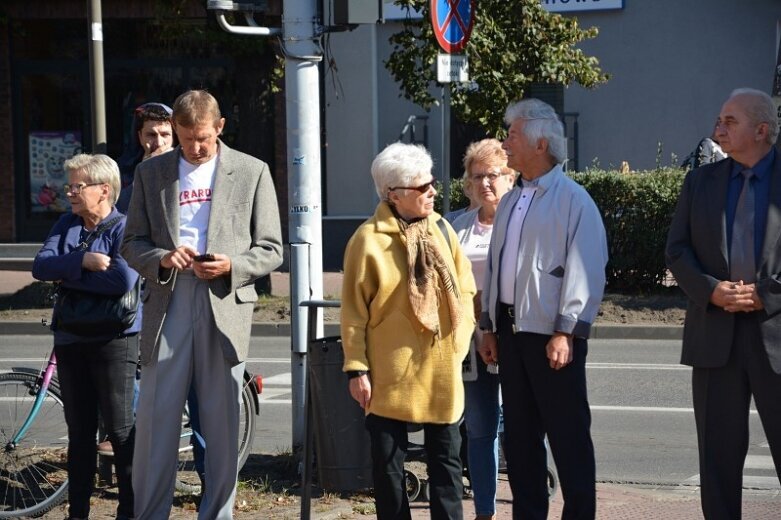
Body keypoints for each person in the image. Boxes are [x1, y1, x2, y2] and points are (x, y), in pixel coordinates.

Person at [121, 89, 283, 519]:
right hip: (169, 296)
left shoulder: (251, 171)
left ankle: (217, 513)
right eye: (188, 137)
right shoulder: (151, 173)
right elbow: (131, 241)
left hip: (224, 300)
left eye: (204, 139)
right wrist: (161, 258)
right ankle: (150, 513)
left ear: (220, 128)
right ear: (175, 129)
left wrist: (234, 264)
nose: (195, 148)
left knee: (222, 422)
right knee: (157, 420)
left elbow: (271, 248)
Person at [479, 99, 608, 519]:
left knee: (568, 438)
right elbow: (498, 268)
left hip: (553, 337)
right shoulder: (513, 199)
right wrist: (489, 327)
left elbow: (587, 268)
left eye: (512, 134)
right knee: (520, 439)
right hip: (512, 336)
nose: (505, 142)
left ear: (539, 143)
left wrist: (566, 331)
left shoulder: (574, 200)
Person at [341, 142, 477, 520]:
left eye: (432, 182)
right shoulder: (367, 241)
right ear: (393, 194)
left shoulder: (443, 230)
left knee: (447, 464)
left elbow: (465, 287)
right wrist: (356, 369)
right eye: (422, 187)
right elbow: (353, 312)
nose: (433, 190)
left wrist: (459, 339)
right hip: (388, 373)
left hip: (440, 369)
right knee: (388, 466)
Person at [665, 87, 781, 519]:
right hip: (715, 338)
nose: (718, 130)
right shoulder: (701, 181)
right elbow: (677, 250)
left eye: (730, 122)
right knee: (717, 464)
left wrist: (764, 294)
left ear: (761, 130)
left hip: (776, 336)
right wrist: (711, 290)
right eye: (719, 121)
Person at [32, 154, 139, 520]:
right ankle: (77, 513)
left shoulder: (124, 227)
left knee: (122, 431)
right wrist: (83, 262)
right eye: (70, 186)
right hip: (71, 338)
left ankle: (128, 511)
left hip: (115, 340)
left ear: (103, 190)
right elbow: (41, 266)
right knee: (79, 434)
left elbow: (122, 280)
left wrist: (68, 273)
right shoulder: (67, 224)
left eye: (77, 186)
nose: (70, 193)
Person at [451, 139, 516, 520]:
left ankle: (528, 502)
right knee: (480, 427)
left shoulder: (523, 220)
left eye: (492, 175)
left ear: (509, 177)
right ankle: (484, 511)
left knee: (525, 426)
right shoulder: (459, 226)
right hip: (471, 341)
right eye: (477, 177)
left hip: (516, 336)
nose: (485, 184)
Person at [116, 102, 175, 213]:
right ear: (140, 137)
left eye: (165, 135)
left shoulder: (184, 166)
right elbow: (119, 211)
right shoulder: (123, 172)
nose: (159, 143)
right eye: (151, 135)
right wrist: (144, 172)